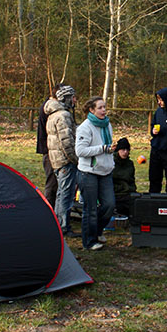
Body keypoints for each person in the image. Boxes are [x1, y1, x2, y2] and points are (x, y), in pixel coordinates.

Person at [75, 96, 116, 251]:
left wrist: (112, 150)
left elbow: (108, 146)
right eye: (100, 108)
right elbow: (80, 151)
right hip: (88, 173)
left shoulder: (107, 125)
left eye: (104, 107)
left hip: (106, 171)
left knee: (109, 205)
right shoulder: (85, 127)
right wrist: (103, 149)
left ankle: (97, 231)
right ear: (91, 110)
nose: (103, 110)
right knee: (90, 209)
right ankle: (89, 241)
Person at [44, 84, 78, 237]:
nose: (75, 100)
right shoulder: (63, 116)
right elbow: (67, 142)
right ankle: (63, 226)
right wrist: (75, 159)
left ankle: (58, 223)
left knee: (61, 193)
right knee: (66, 194)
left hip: (56, 160)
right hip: (65, 161)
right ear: (66, 98)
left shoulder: (53, 114)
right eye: (73, 97)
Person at [36, 84, 62, 205]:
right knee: (52, 183)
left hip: (52, 149)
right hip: (49, 150)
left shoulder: (51, 107)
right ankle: (49, 209)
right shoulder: (50, 108)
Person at [112, 137, 137, 216]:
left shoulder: (130, 164)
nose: (125, 152)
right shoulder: (111, 163)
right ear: (118, 150)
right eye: (123, 150)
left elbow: (132, 180)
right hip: (116, 193)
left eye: (127, 150)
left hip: (128, 193)